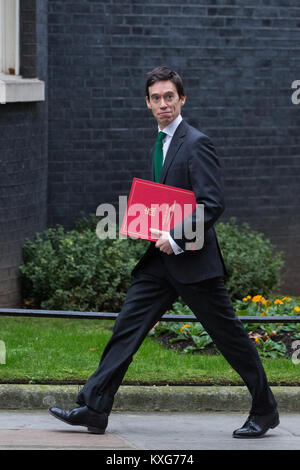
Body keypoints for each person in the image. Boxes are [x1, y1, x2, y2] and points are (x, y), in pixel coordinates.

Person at [49, 66, 279, 438]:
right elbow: (169, 200)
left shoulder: (196, 142)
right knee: (127, 328)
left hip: (195, 264)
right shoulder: (158, 143)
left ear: (182, 99)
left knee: (230, 338)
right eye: (155, 98)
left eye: (169, 96)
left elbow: (211, 203)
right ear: (147, 103)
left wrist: (175, 238)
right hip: (159, 264)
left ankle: (265, 409)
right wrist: (144, 224)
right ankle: (94, 408)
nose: (163, 104)